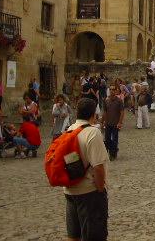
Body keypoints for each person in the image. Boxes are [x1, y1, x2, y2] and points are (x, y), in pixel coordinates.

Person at [64, 98, 109, 241]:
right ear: (93, 114)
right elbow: (98, 166)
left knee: (74, 235)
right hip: (88, 191)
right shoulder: (92, 132)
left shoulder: (69, 130)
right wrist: (101, 189)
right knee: (94, 236)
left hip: (70, 190)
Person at [103, 85, 124, 160]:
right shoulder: (106, 100)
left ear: (116, 91)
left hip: (115, 123)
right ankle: (111, 150)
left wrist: (120, 122)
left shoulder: (119, 101)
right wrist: (104, 121)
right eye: (110, 89)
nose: (112, 91)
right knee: (107, 139)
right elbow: (105, 111)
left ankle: (113, 154)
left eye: (113, 89)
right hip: (108, 123)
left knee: (115, 139)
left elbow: (122, 112)